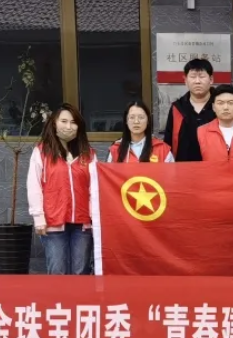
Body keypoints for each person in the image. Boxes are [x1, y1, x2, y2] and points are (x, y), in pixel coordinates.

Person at [27, 103, 96, 275]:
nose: (68, 126)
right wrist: (38, 217)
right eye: (63, 121)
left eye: (73, 122)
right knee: (57, 271)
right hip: (53, 221)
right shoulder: (42, 152)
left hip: (83, 223)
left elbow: (95, 189)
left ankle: (80, 295)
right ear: (54, 123)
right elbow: (34, 185)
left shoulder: (88, 154)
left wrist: (95, 216)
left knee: (81, 271)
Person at [163, 58, 217, 161]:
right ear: (185, 80)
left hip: (214, 166)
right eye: (193, 76)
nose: (197, 81)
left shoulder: (221, 105)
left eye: (202, 76)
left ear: (211, 79)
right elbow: (168, 142)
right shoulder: (177, 108)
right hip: (183, 167)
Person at [109, 100, 174, 163]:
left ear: (148, 121)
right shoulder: (116, 149)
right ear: (126, 121)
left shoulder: (162, 149)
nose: (136, 121)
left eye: (141, 117)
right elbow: (108, 170)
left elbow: (172, 170)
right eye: (132, 117)